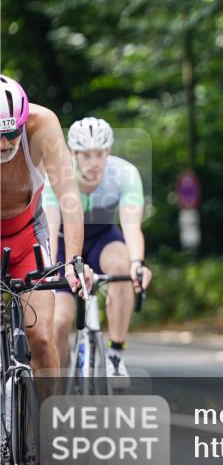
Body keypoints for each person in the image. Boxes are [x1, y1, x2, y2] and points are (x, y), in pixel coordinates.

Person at [43, 117, 151, 381]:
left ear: (109, 152)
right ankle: (57, 389)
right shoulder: (56, 176)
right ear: (73, 154)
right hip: (64, 245)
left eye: (100, 154)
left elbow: (131, 226)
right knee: (59, 322)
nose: (94, 162)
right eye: (86, 155)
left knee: (122, 266)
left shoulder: (124, 174)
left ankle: (115, 353)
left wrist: (138, 263)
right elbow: (50, 227)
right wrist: (50, 270)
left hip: (103, 238)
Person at [0, 73, 89, 380]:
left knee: (40, 337)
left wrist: (73, 261)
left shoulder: (44, 125)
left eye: (12, 133)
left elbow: (69, 197)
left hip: (28, 236)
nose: (4, 143)